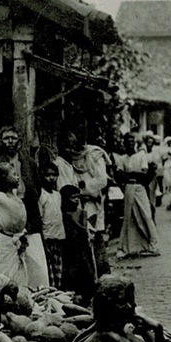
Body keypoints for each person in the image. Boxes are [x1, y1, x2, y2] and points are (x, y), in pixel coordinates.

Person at [56, 129, 111, 277]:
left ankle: (99, 274)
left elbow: (101, 180)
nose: (72, 149)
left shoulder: (94, 154)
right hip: (75, 209)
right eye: (69, 146)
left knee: (95, 239)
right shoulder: (61, 165)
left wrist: (84, 189)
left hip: (91, 205)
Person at [0, 161, 30, 286]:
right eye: (13, 175)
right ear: (3, 178)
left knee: (20, 274)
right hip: (5, 241)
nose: (17, 177)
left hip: (17, 240)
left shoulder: (14, 194)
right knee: (5, 274)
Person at [112, 133, 160, 258]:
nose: (130, 144)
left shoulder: (141, 156)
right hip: (128, 188)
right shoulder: (122, 159)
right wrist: (132, 175)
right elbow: (120, 175)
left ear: (136, 144)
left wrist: (131, 174)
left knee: (146, 215)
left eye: (132, 142)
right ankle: (129, 246)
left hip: (139, 188)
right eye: (128, 142)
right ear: (124, 143)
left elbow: (144, 175)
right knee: (129, 217)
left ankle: (153, 245)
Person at [60, 185, 97, 304]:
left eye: (77, 197)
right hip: (69, 247)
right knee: (71, 272)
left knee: (86, 270)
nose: (76, 200)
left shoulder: (80, 213)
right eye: (72, 197)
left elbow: (83, 227)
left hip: (82, 246)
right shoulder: (63, 213)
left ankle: (87, 296)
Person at [39, 163, 66, 289]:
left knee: (58, 268)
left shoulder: (57, 195)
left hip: (59, 236)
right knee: (48, 269)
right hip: (47, 237)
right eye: (48, 175)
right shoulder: (41, 195)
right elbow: (40, 218)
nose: (51, 178)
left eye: (54, 175)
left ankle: (59, 291)